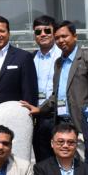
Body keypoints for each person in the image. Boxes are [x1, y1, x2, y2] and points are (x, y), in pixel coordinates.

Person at [38, 21, 88, 149]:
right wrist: (39, 109)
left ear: (75, 36)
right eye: (57, 38)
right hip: (62, 123)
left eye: (64, 36)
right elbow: (56, 96)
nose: (61, 40)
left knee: (87, 164)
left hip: (83, 123)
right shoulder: (58, 63)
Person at [0, 15, 39, 123]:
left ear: (8, 33)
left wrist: (27, 117)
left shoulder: (23, 57)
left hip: (15, 117)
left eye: (2, 31)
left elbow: (29, 91)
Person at [31, 15, 59, 162]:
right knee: (43, 160)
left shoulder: (63, 56)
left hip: (58, 116)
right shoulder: (31, 58)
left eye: (47, 30)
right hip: (38, 118)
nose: (42, 34)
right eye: (38, 32)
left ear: (54, 32)